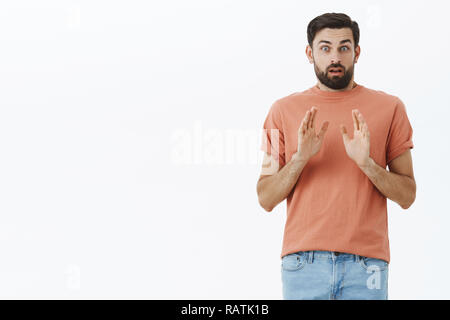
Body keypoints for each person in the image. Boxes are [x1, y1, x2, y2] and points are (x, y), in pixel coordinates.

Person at [256, 12, 416, 300]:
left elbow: (408, 195)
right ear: (310, 53)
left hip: (368, 266)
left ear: (356, 52)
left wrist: (367, 163)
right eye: (325, 48)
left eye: (344, 47)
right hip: (303, 266)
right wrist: (299, 158)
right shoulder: (279, 111)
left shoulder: (391, 108)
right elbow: (265, 196)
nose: (335, 57)